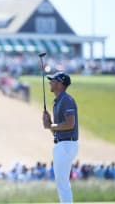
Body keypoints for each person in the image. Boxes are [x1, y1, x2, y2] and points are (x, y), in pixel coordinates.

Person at [42, 72, 79, 203]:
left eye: (53, 80)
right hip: (62, 144)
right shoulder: (58, 101)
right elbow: (58, 131)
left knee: (62, 183)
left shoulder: (66, 100)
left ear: (60, 84)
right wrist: (50, 124)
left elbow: (70, 124)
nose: (50, 82)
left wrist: (51, 125)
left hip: (66, 145)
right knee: (62, 183)